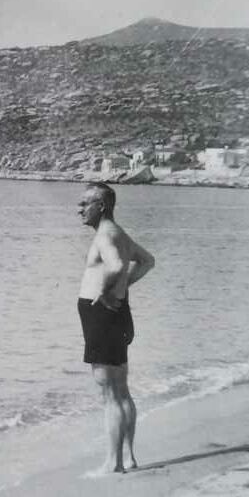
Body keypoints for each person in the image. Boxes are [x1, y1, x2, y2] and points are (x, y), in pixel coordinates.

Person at [77, 182, 155, 474]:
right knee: (121, 389)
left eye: (85, 203)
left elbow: (117, 264)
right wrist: (122, 287)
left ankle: (113, 463)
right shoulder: (118, 233)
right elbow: (147, 262)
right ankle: (129, 457)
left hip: (102, 314)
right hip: (117, 312)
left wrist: (108, 290)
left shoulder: (105, 236)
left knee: (110, 392)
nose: (80, 209)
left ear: (102, 206)